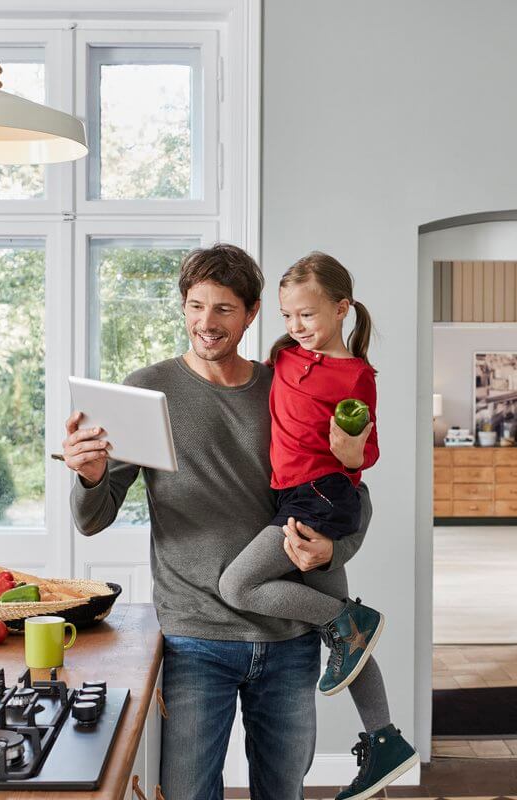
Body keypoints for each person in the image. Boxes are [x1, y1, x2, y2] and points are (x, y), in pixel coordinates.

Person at [64, 244, 378, 800]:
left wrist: (335, 552)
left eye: (224, 309)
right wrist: (90, 477)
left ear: (252, 312)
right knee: (188, 792)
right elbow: (94, 519)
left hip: (288, 636)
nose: (206, 322)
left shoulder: (285, 384)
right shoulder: (146, 389)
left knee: (282, 793)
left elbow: (350, 490)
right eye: (195, 305)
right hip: (195, 637)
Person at [219, 252, 418, 800]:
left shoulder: (355, 375)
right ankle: (385, 740)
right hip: (295, 495)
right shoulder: (284, 355)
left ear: (341, 308)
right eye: (287, 316)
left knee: (237, 585)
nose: (297, 326)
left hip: (321, 496)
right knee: (348, 642)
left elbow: (365, 452)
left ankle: (348, 619)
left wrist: (351, 452)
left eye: (307, 315)